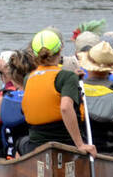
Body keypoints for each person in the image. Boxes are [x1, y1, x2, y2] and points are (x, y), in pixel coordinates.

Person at [19, 28, 97, 157]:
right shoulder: (67, 77)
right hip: (65, 142)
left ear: (34, 54)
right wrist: (80, 145)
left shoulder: (28, 77)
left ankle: (22, 171)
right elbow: (65, 108)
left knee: (20, 142)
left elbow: (47, 84)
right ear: (60, 50)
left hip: (36, 144)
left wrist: (71, 78)